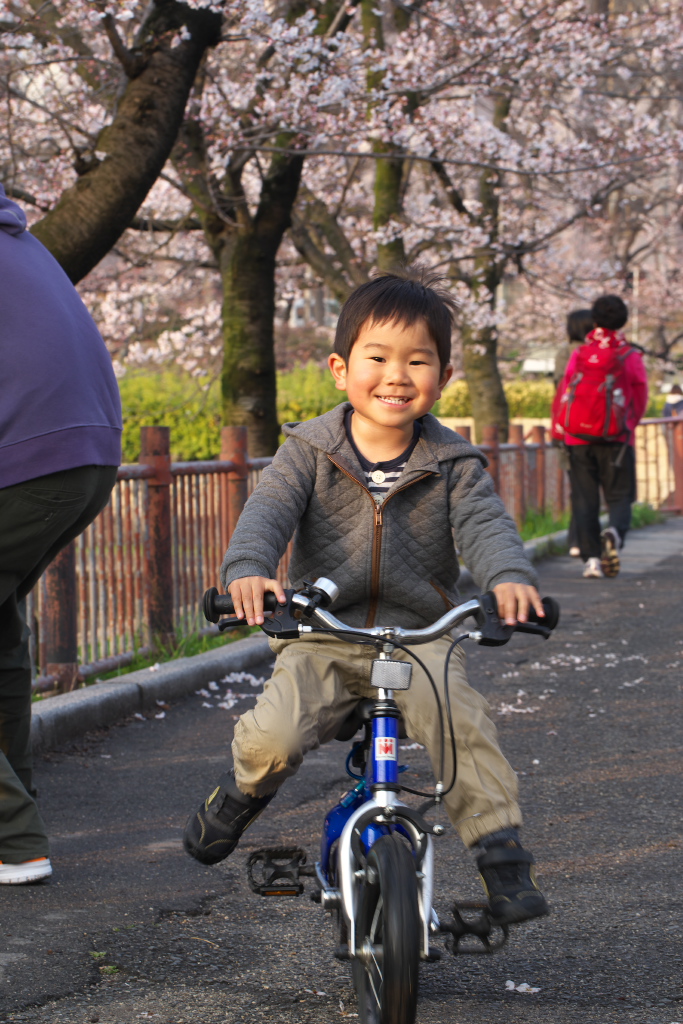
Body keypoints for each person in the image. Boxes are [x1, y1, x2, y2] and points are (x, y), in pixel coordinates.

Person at [184, 267, 550, 926]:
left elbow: (486, 528)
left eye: (418, 360)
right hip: (323, 631)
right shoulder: (307, 452)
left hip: (420, 635)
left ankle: (501, 858)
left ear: (442, 374)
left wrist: (508, 581)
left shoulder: (454, 463)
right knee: (274, 736)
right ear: (338, 368)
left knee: (461, 726)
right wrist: (247, 569)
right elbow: (266, 511)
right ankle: (237, 797)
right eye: (377, 358)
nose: (396, 376)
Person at [0, 186, 122, 884]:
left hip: (26, 464)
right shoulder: (21, 242)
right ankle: (16, 842)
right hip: (85, 458)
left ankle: (13, 835)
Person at [553, 295, 648, 579]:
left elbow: (565, 390)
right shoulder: (628, 355)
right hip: (616, 438)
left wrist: (559, 427)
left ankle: (591, 560)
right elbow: (640, 394)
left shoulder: (580, 353)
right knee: (620, 496)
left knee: (584, 499)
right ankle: (615, 533)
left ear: (594, 321)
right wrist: (628, 424)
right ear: (623, 321)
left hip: (578, 438)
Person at [554, 309, 594, 557]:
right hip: (603, 431)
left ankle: (576, 541)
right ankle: (586, 541)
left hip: (571, 429)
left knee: (578, 487)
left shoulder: (566, 353)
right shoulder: (605, 354)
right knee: (592, 489)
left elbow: (559, 390)